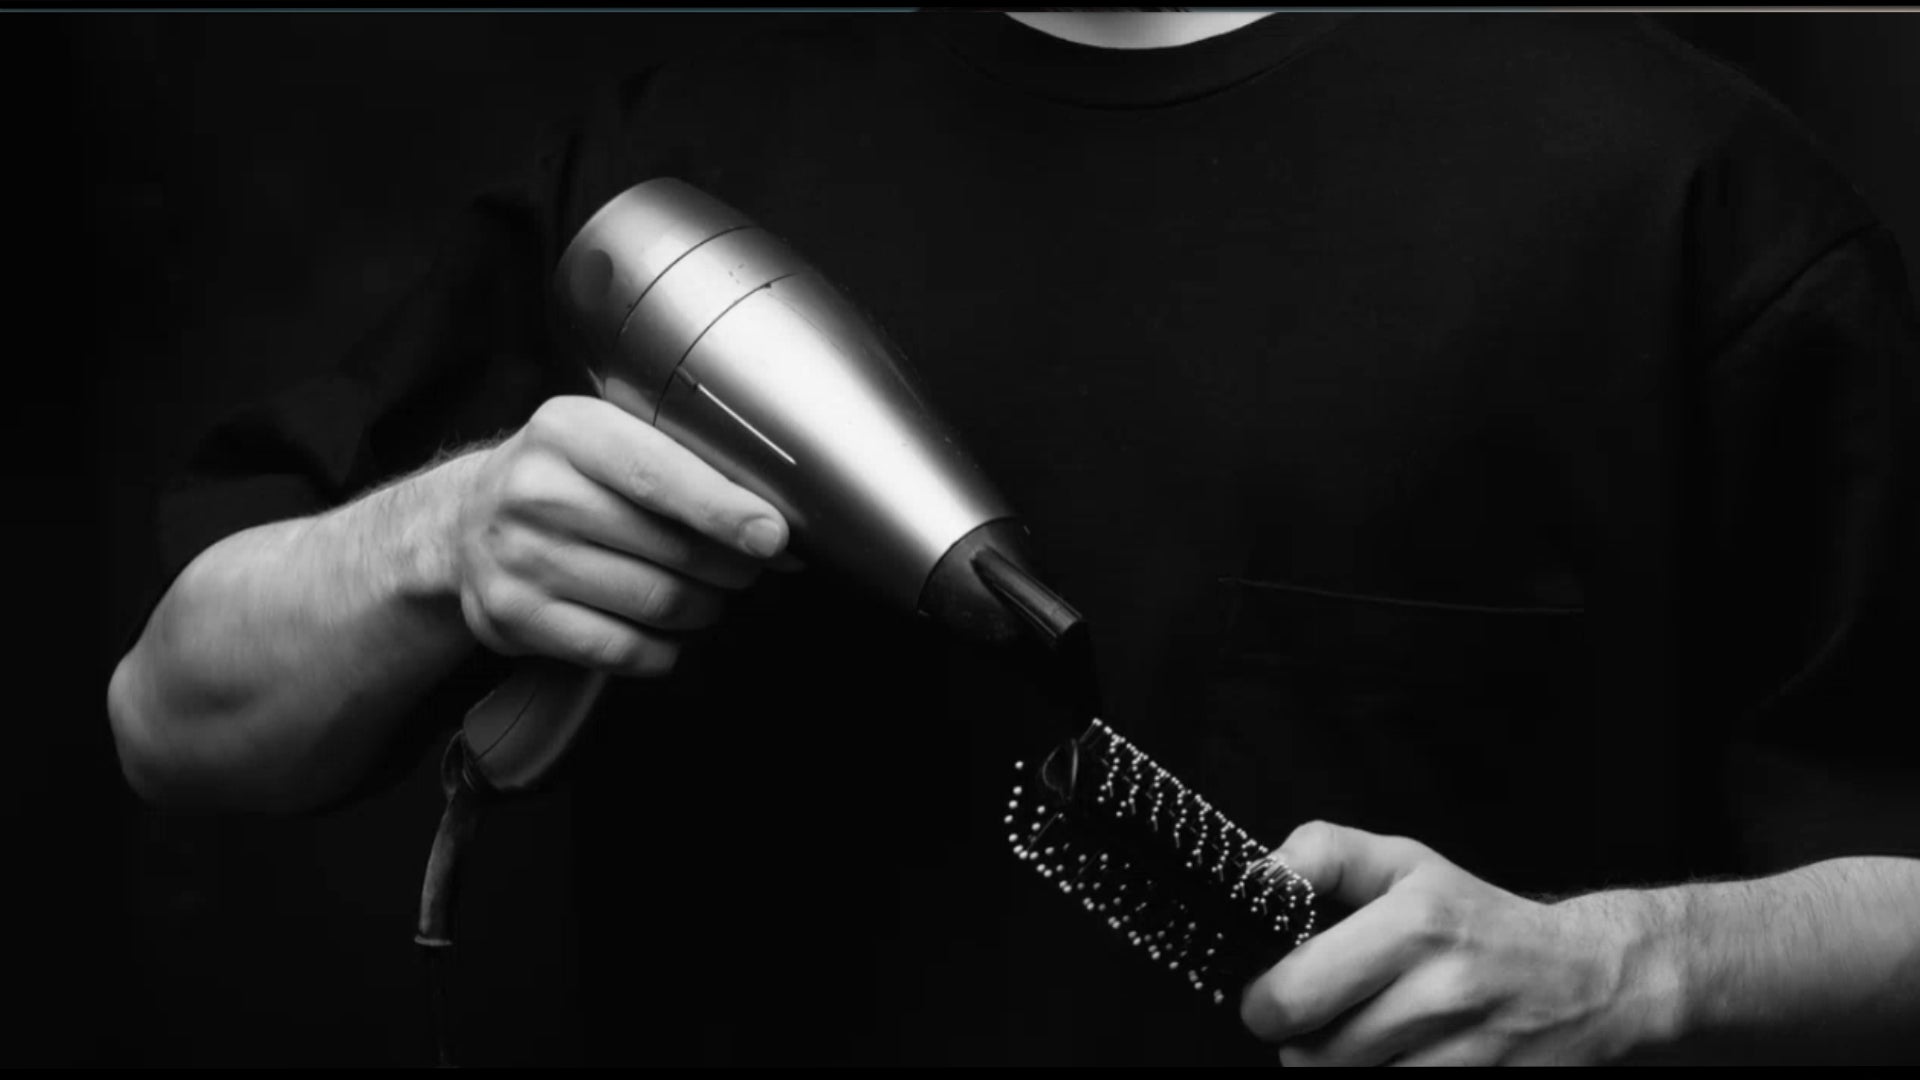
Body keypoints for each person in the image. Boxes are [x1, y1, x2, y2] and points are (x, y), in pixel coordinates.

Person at [107, 9, 1920, 1066]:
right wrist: (445, 539)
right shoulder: (678, 148)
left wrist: (1640, 967)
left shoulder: (1672, 194)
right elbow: (171, 723)